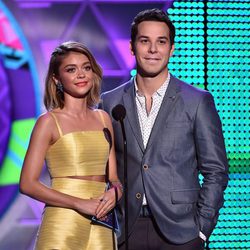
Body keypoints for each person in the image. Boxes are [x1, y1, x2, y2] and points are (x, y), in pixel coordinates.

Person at [100, 8, 228, 250]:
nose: (152, 50)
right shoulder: (110, 101)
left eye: (161, 42)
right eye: (144, 41)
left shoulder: (196, 100)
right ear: (131, 47)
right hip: (127, 228)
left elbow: (216, 170)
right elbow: (103, 167)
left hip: (182, 232)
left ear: (171, 48)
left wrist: (202, 229)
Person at [19, 41, 122, 250]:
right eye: (71, 69)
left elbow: (114, 179)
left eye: (86, 67)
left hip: (102, 221)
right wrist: (78, 203)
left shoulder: (103, 118)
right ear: (57, 79)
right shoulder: (48, 122)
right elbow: (27, 184)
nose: (81, 74)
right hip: (63, 221)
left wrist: (115, 193)